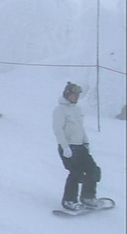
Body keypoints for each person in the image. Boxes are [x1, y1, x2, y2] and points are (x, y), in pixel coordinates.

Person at [52, 82, 102, 211]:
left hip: (80, 147)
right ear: (68, 94)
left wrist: (85, 142)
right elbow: (58, 130)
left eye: (78, 95)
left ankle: (88, 197)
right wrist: (65, 147)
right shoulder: (60, 110)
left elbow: (80, 127)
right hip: (68, 148)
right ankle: (69, 200)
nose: (76, 97)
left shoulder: (77, 109)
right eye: (74, 95)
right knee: (76, 172)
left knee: (93, 170)